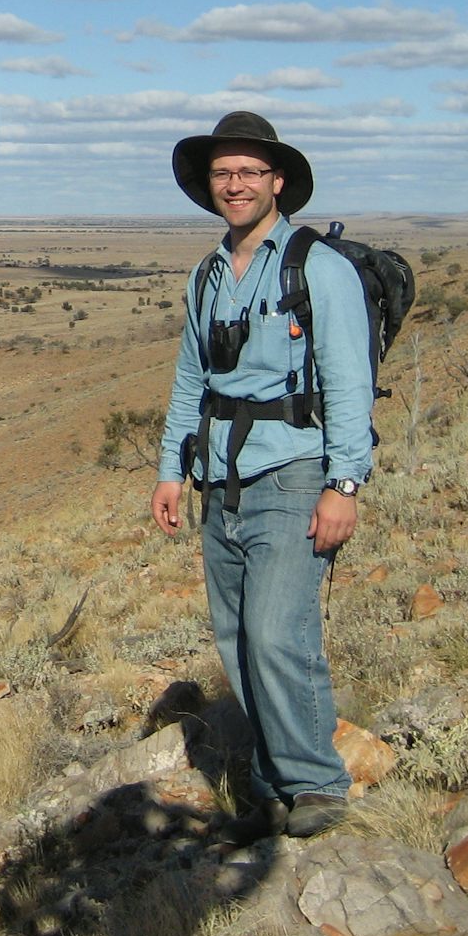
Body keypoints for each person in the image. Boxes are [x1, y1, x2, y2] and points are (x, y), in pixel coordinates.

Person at [150, 111, 373, 842]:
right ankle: (275, 786)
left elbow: (347, 380)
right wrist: (170, 471)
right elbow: (192, 379)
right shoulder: (206, 275)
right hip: (221, 480)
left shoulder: (318, 268)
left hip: (293, 473)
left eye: (249, 171)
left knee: (280, 633)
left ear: (278, 181)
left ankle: (316, 783)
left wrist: (344, 486)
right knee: (237, 640)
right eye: (223, 173)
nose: (235, 183)